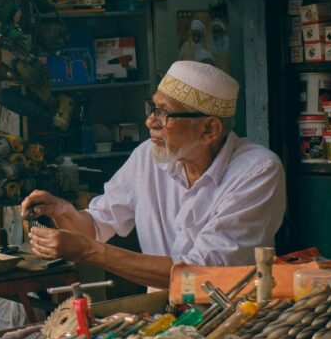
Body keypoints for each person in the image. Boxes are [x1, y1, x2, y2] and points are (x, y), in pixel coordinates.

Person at [22, 61, 285, 289]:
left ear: (209, 129)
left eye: (164, 113)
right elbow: (96, 227)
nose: (150, 121)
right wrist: (62, 211)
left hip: (231, 314)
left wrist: (89, 252)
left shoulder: (257, 171)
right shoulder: (147, 156)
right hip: (164, 314)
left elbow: (200, 274)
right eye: (152, 108)